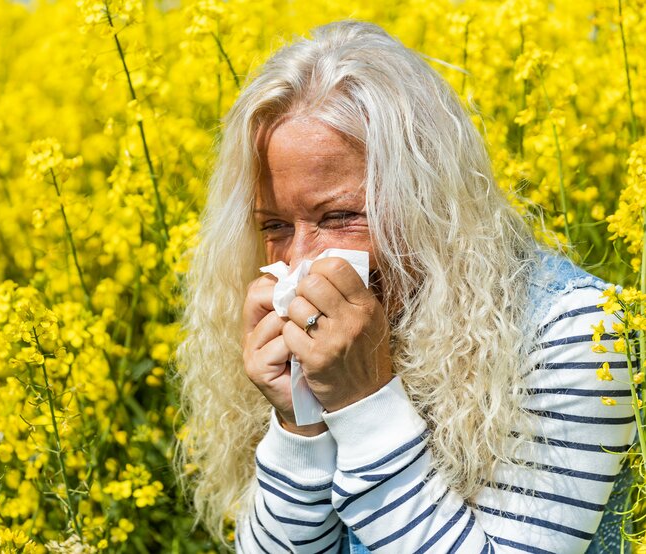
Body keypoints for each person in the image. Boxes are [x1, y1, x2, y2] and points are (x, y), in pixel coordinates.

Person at [175, 20, 637, 553]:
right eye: (274, 226)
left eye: (340, 215)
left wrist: (364, 405)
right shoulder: (332, 348)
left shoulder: (577, 334)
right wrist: (300, 421)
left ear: (430, 204)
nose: (300, 260)